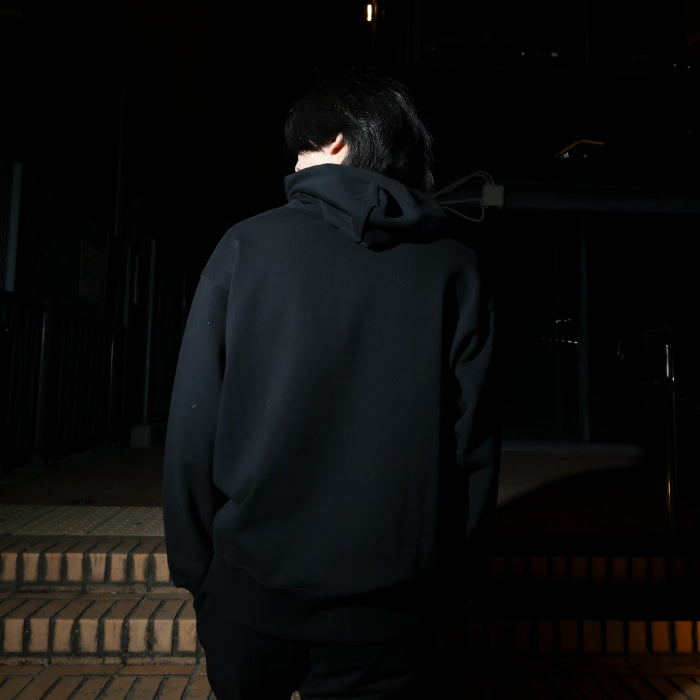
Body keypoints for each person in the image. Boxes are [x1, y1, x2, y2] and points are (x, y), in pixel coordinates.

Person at [162, 67, 500, 700]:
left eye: (300, 148)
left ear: (337, 140)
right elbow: (473, 447)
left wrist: (199, 575)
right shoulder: (456, 269)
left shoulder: (247, 247)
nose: (293, 165)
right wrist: (455, 587)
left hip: (252, 592)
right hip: (392, 609)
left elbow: (193, 422)